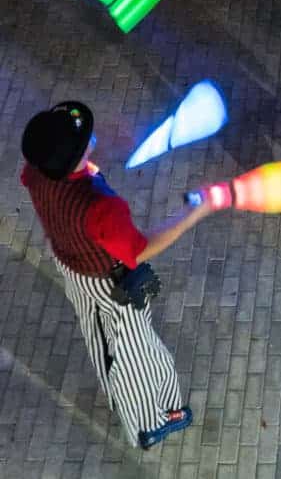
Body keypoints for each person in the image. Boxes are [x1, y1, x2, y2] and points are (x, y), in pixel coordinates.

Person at [20, 101, 213, 449]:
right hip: (108, 283)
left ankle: (120, 393)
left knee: (99, 336)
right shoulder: (101, 209)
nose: (91, 134)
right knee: (136, 354)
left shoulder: (36, 172)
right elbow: (139, 249)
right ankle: (150, 423)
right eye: (83, 139)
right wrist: (191, 215)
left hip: (70, 265)